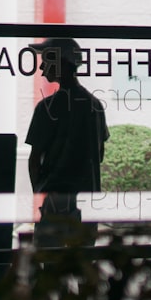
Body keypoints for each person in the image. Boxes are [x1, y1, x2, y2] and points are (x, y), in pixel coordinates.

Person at [25, 37, 109, 247]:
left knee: (50, 267)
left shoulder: (47, 107)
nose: (43, 67)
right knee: (84, 268)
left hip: (56, 202)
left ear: (62, 63)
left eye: (47, 60)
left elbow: (35, 160)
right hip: (87, 203)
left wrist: (41, 193)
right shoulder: (95, 106)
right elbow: (99, 155)